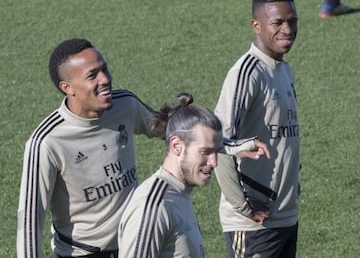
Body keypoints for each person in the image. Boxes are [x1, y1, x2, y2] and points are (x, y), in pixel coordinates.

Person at [16, 38, 167, 258]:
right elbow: (30, 217)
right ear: (67, 88)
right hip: (86, 253)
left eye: (104, 69)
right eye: (92, 75)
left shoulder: (125, 104)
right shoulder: (47, 142)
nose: (105, 79)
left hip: (138, 243)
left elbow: (171, 131)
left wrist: (221, 140)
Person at [118, 93, 270, 257]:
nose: (214, 162)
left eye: (216, 151)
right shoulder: (154, 208)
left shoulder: (178, 193)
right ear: (176, 145)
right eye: (205, 152)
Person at [214, 0, 300, 258]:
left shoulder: (283, 70)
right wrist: (244, 207)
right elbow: (218, 142)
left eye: (292, 21)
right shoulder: (246, 72)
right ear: (257, 26)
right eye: (277, 23)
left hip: (286, 216)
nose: (287, 29)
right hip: (253, 226)